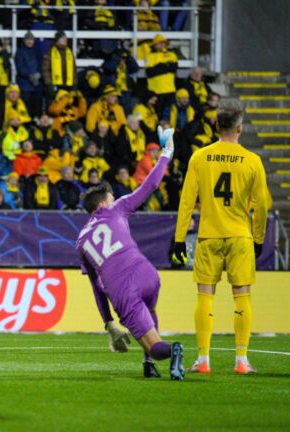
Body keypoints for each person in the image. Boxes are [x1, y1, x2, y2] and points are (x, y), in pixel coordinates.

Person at [77, 126, 185, 380]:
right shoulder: (116, 209)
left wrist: (109, 324)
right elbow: (151, 185)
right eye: (111, 197)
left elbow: (97, 286)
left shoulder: (81, 242)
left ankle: (173, 351)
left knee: (156, 346)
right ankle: (148, 364)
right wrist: (167, 152)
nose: (115, 199)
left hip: (122, 288)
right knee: (150, 312)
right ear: (102, 204)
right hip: (147, 273)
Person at [172, 104, 269, 375]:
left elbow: (187, 201)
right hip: (240, 236)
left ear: (216, 127)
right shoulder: (252, 160)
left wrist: (179, 238)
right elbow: (261, 205)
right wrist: (258, 238)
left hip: (208, 236)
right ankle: (241, 361)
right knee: (242, 297)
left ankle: (203, 359)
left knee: (205, 297)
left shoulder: (200, 157)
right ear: (240, 128)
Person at [145, 34, 178, 119]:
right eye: (160, 43)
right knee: (157, 115)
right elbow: (150, 72)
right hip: (156, 91)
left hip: (170, 90)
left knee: (171, 114)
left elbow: (174, 68)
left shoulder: (172, 54)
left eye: (163, 43)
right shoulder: (149, 56)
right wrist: (166, 66)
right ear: (154, 45)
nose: (162, 44)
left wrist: (159, 66)